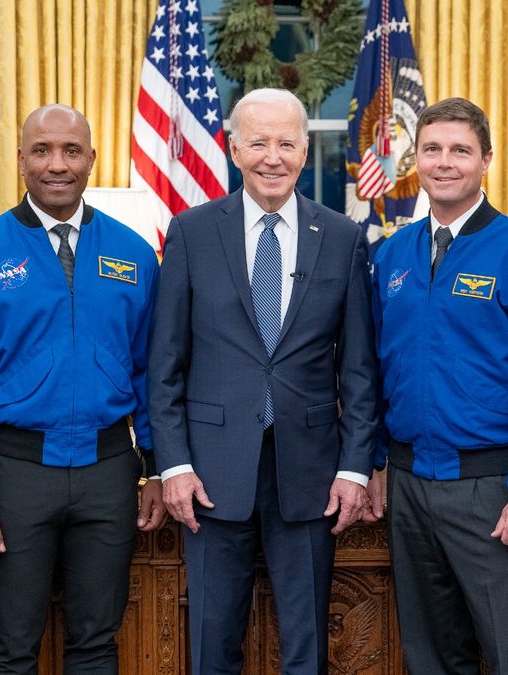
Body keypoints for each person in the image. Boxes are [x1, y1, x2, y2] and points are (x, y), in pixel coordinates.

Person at [149, 87, 377, 674]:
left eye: (285, 143)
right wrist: (172, 464)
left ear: (304, 150)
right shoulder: (192, 232)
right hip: (210, 475)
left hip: (311, 473)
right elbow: (166, 362)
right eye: (258, 142)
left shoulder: (344, 238)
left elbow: (357, 369)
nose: (272, 157)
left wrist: (354, 468)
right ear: (232, 148)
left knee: (307, 649)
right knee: (211, 644)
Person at [0, 104, 164, 674]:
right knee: (11, 646)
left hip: (109, 470)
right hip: (15, 475)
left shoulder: (133, 254)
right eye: (42, 151)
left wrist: (157, 466)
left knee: (97, 641)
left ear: (91, 159)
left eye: (70, 151)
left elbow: (151, 372)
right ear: (21, 160)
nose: (56, 164)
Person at [365, 97, 508, 674]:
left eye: (460, 150)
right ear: (415, 158)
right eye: (432, 149)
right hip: (410, 486)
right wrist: (377, 461)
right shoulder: (392, 256)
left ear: (486, 160)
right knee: (430, 657)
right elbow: (373, 368)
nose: (444, 162)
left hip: (491, 489)